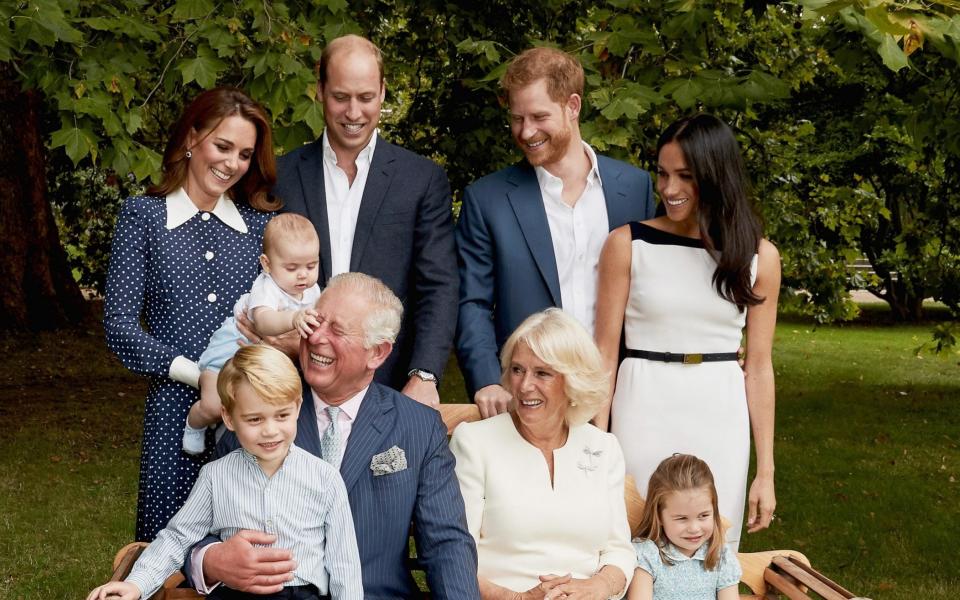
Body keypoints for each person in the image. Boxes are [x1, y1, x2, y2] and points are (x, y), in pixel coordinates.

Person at [186, 273, 480, 599]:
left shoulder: (418, 428)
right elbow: (196, 530)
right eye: (315, 321)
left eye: (336, 330)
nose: (315, 337)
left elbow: (446, 544)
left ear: (377, 353)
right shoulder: (260, 411)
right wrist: (212, 561)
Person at [595, 114, 780, 552]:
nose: (668, 189)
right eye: (662, 173)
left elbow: (758, 368)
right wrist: (598, 448)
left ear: (716, 178)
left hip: (720, 412)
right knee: (636, 540)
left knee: (713, 550)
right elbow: (603, 356)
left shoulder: (759, 257)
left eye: (685, 177)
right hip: (642, 404)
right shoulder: (627, 244)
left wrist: (766, 471)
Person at [104, 87, 279, 541]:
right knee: (167, 549)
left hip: (249, 414)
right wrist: (197, 374)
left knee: (245, 546)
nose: (232, 163)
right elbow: (119, 325)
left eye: (244, 153)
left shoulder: (261, 229)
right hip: (173, 411)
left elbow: (287, 305)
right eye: (223, 146)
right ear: (190, 138)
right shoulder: (142, 216)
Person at [456, 46, 656, 419]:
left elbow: (654, 290)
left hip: (619, 398)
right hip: (525, 398)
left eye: (538, 116)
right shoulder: (487, 199)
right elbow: (472, 304)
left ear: (573, 105)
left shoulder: (634, 188)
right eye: (516, 119)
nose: (526, 131)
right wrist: (486, 380)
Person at [261, 34, 457, 408]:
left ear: (383, 92)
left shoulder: (421, 180)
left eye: (366, 97)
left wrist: (425, 374)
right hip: (290, 380)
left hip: (390, 384)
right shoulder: (278, 177)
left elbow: (439, 287)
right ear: (319, 90)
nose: (353, 113)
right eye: (340, 97)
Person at [86, 345, 363, 600]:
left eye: (281, 415)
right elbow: (178, 537)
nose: (270, 430)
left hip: (300, 593)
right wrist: (136, 584)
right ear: (229, 418)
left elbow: (344, 563)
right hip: (233, 593)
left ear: (297, 408)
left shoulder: (325, 478)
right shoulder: (215, 476)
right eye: (254, 419)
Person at [450, 308, 635, 600]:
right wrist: (517, 598)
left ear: (572, 381)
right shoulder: (475, 443)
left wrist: (599, 587)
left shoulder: (604, 447)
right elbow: (454, 555)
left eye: (542, 373)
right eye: (517, 369)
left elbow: (618, 549)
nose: (524, 386)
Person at [183, 213, 322, 455]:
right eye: (292, 267)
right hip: (229, 351)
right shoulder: (266, 286)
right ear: (267, 264)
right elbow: (264, 323)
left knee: (253, 407)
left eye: (311, 266)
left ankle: (225, 429)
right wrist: (293, 319)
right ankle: (195, 422)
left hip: (261, 361)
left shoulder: (311, 290)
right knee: (214, 405)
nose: (303, 275)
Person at [626, 454, 741, 600]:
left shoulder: (720, 556)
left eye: (703, 516)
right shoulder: (647, 555)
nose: (694, 528)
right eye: (682, 518)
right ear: (659, 516)